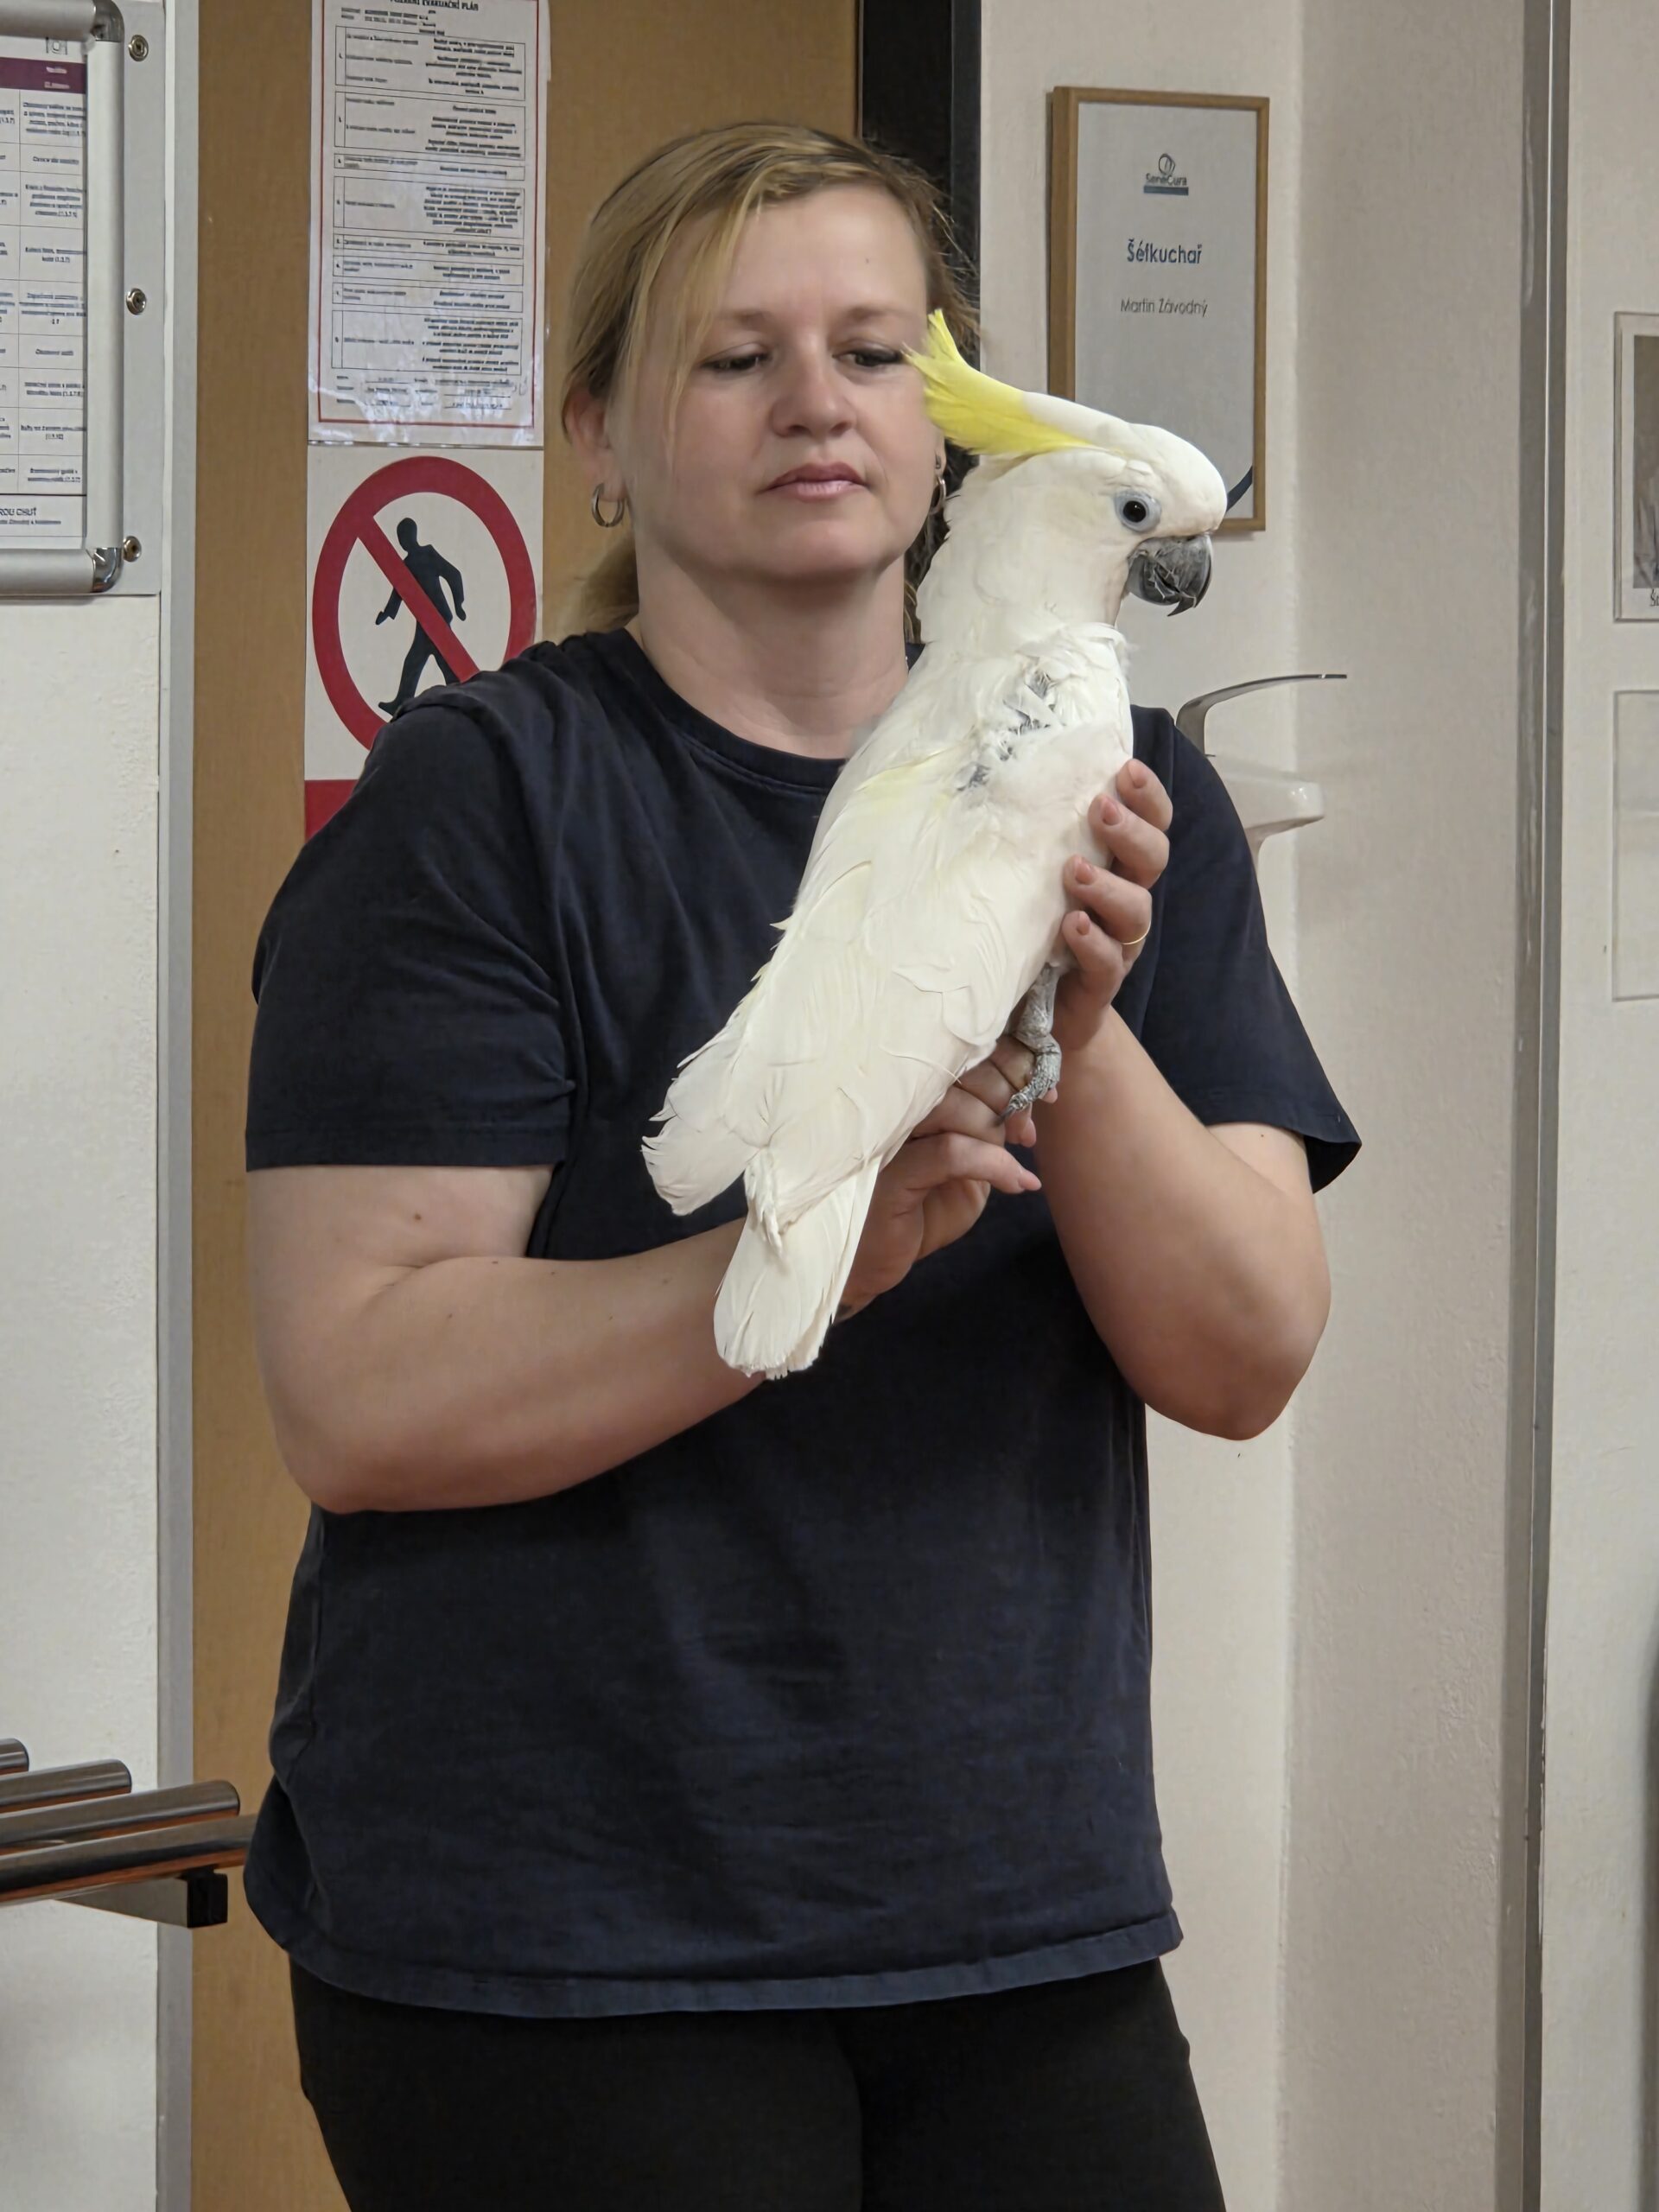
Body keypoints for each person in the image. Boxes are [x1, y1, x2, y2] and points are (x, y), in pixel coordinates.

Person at [242, 121, 1359, 2212]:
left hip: (1013, 1905)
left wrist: (1056, 999)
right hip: (556, 1933)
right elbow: (361, 1394)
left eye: (869, 349)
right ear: (600, 433)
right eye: (734, 355)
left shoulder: (1136, 798)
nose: (817, 403)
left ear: (944, 430)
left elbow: (1240, 1353)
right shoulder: (483, 804)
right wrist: (803, 1271)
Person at [373, 515, 467, 714]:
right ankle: (404, 700)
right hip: (426, 623)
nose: (402, 542)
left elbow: (453, 574)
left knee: (436, 662)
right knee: (427, 662)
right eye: (400, 538)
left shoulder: (428, 554)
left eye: (403, 537)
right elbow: (399, 591)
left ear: (411, 536)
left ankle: (458, 699)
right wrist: (387, 613)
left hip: (437, 620)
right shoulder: (406, 564)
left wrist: (459, 604)